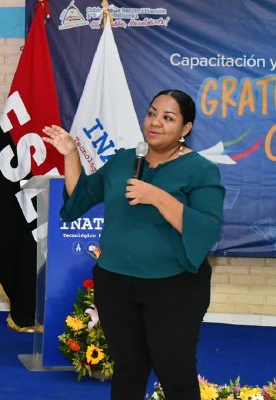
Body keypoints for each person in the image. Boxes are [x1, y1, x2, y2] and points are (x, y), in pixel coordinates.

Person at [42, 89, 224, 400]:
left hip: (173, 288)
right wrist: (70, 154)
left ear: (186, 129)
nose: (155, 122)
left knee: (174, 370)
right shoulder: (124, 160)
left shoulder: (200, 169)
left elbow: (207, 229)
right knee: (128, 368)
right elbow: (79, 199)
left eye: (168, 118)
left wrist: (157, 197)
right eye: (152, 113)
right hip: (115, 282)